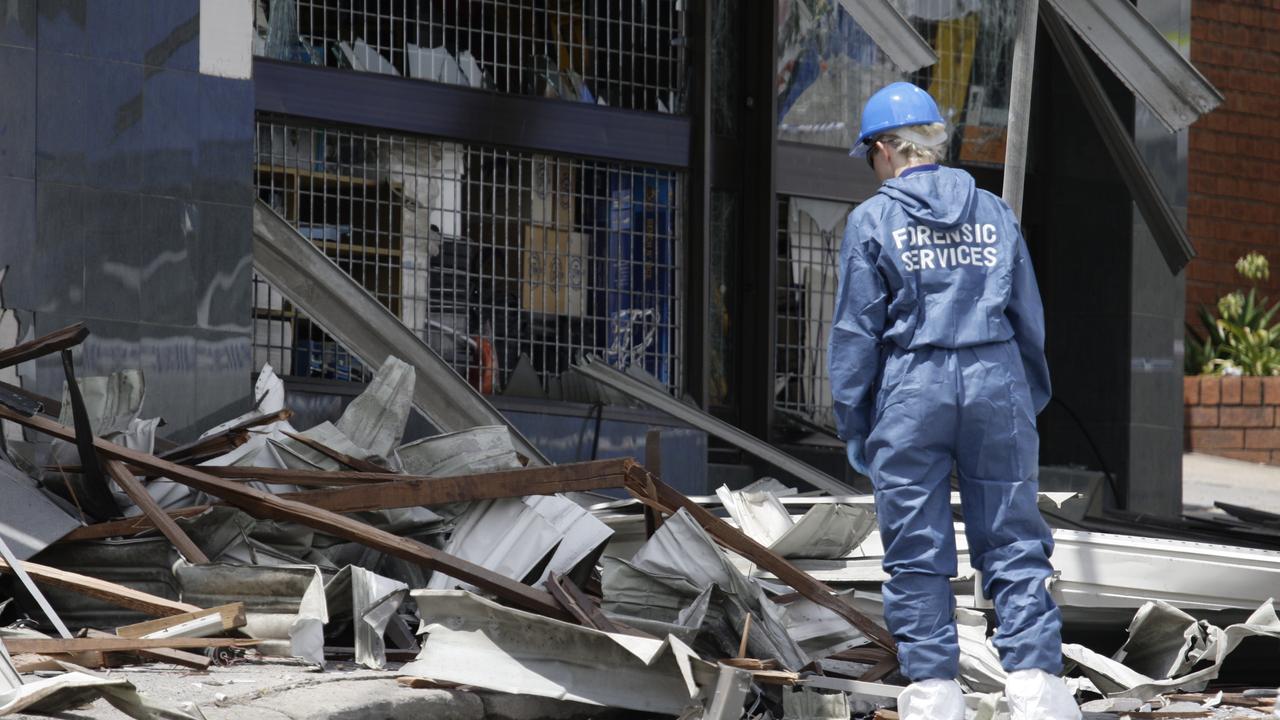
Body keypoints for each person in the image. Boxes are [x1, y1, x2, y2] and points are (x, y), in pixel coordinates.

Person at [829, 82, 1081, 720]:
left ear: (887, 148)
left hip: (914, 386)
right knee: (1014, 535)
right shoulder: (995, 213)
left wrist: (856, 423)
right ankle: (1037, 689)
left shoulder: (871, 222)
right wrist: (1023, 402)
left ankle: (936, 695)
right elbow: (1029, 320)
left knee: (915, 543)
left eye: (871, 156)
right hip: (996, 377)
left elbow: (857, 335)